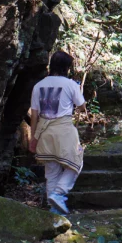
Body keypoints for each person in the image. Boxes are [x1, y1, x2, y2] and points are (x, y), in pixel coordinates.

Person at [29, 50, 86, 215]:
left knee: (51, 171)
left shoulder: (38, 86)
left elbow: (34, 115)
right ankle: (59, 193)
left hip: (44, 132)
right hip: (64, 130)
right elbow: (82, 106)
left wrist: (33, 137)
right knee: (76, 163)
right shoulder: (70, 84)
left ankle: (54, 212)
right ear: (66, 67)